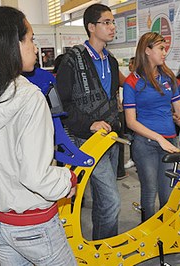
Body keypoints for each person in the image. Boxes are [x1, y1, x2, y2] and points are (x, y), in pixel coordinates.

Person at [0, 6, 77, 264]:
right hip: (35, 226)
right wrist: (68, 179)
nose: (35, 46)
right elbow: (35, 176)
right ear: (11, 44)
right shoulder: (29, 97)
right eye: (30, 39)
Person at [56, 3, 121, 240]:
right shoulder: (72, 60)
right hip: (84, 140)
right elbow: (62, 104)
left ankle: (100, 247)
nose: (113, 27)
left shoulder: (111, 61)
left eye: (113, 22)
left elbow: (113, 98)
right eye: (107, 22)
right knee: (112, 201)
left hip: (110, 139)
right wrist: (89, 124)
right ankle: (104, 250)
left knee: (104, 201)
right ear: (91, 27)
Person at [123, 32, 180, 221]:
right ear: (147, 51)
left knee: (167, 193)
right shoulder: (132, 82)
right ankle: (148, 237)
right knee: (149, 191)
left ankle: (164, 235)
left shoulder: (168, 77)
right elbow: (131, 121)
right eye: (161, 48)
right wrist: (158, 138)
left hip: (169, 141)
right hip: (146, 144)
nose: (165, 52)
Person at [124, 57, 136, 169]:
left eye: (131, 63)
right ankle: (133, 158)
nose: (129, 66)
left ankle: (134, 159)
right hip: (130, 115)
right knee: (131, 138)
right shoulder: (129, 80)